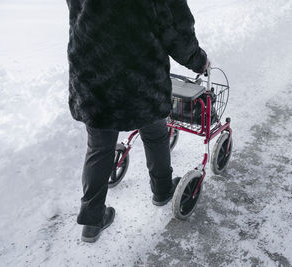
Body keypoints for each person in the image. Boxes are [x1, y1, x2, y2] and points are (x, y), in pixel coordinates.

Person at [66, 0, 209, 243]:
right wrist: (198, 60)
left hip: (92, 69)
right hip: (140, 73)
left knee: (99, 146)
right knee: (155, 134)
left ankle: (92, 219)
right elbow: (173, 25)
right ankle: (163, 190)